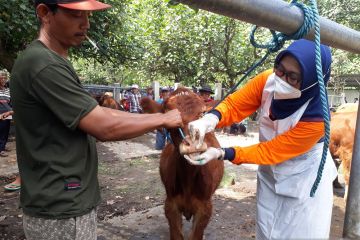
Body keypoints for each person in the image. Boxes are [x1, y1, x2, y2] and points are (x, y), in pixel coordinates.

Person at [10, 1, 183, 239]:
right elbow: (104, 126)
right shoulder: (43, 64)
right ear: (45, 13)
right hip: (60, 207)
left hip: (66, 200)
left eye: (88, 16)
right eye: (75, 15)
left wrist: (159, 116)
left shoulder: (53, 61)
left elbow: (103, 113)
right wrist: (164, 120)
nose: (86, 24)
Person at [185, 39, 337, 239]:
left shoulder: (317, 117)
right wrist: (210, 119)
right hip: (270, 174)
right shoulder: (268, 80)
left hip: (304, 177)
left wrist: (223, 153)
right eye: (280, 69)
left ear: (312, 81)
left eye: (292, 76)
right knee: (267, 228)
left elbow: (271, 151)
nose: (281, 79)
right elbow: (236, 104)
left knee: (301, 232)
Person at [0, 71, 12, 157]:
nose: (3, 79)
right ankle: (1, 149)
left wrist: (11, 111)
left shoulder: (7, 90)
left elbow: (10, 102)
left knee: (6, 131)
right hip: (1, 114)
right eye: (1, 78)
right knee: (1, 131)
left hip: (8, 113)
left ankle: (3, 146)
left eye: (5, 78)